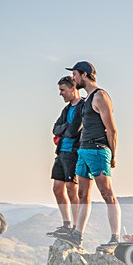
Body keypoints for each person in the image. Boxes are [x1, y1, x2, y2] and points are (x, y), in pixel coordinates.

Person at [56, 61, 121, 250]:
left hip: (98, 150)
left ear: (84, 74)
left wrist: (113, 155)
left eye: (75, 75)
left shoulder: (100, 96)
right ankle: (78, 234)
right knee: (82, 194)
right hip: (83, 150)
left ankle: (115, 237)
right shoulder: (86, 100)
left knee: (107, 194)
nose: (73, 79)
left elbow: (112, 130)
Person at [47, 76, 84, 237]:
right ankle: (66, 224)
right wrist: (64, 129)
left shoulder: (83, 106)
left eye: (63, 90)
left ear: (73, 88)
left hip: (73, 153)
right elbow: (55, 129)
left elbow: (73, 130)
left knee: (71, 189)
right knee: (57, 188)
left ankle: (76, 226)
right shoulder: (67, 109)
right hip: (61, 152)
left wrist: (64, 130)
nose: (60, 94)